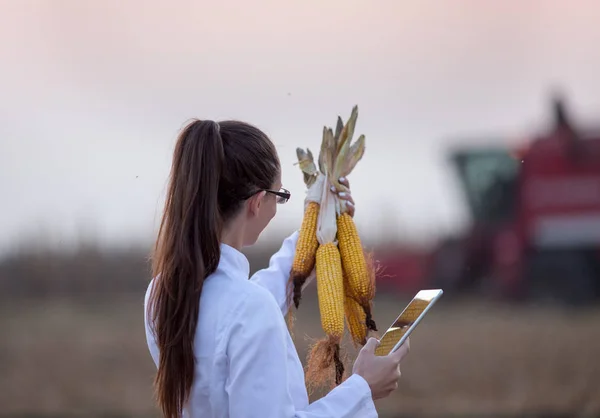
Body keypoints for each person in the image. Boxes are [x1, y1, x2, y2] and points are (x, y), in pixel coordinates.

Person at [143, 119, 410, 418]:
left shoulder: (163, 292)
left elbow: (245, 302)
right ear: (258, 203)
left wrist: (321, 227)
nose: (279, 202)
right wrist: (363, 388)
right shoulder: (249, 309)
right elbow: (248, 309)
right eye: (280, 195)